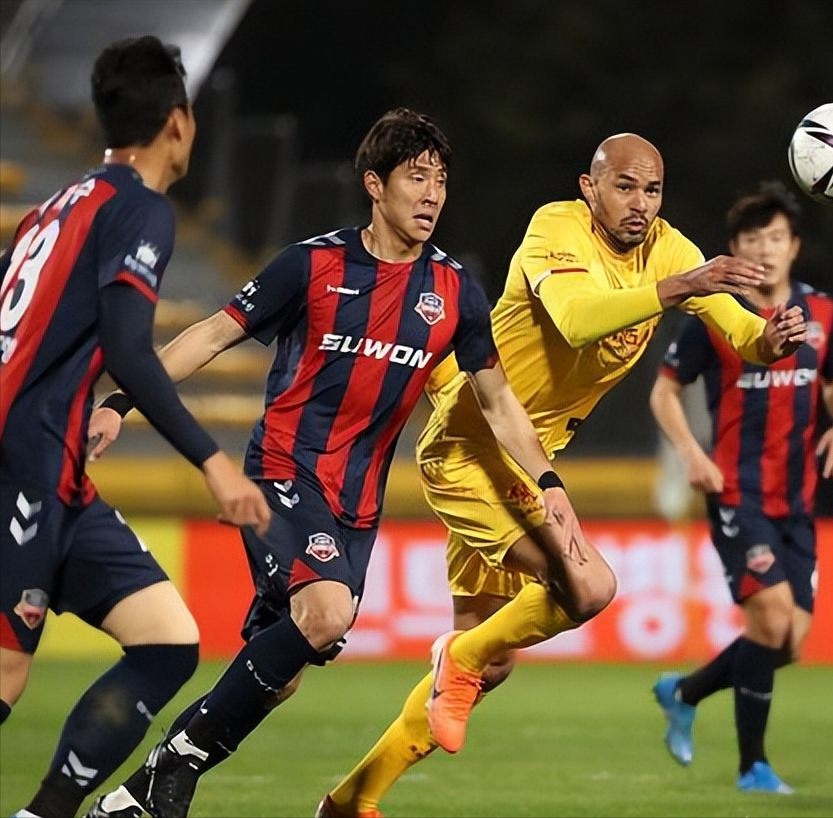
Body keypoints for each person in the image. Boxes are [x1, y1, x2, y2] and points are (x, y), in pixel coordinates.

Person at [84, 108, 586, 818]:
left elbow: (500, 405)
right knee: (326, 612)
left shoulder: (452, 291)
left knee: (280, 674)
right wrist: (119, 402)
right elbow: (208, 336)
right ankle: (176, 768)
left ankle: (135, 797)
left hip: (357, 508)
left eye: (441, 180)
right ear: (374, 185)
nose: (433, 194)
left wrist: (549, 483)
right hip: (284, 473)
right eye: (417, 177)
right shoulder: (310, 265)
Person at [318, 135, 807, 818]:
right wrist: (677, 289)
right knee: (583, 586)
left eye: (653, 190)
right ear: (589, 186)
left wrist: (769, 340)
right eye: (625, 187)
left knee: (491, 665)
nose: (641, 204)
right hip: (469, 449)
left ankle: (350, 801)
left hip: (527, 461)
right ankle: (455, 660)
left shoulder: (672, 249)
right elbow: (575, 322)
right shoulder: (556, 227)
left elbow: (738, 327)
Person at [0, 36, 270, 818]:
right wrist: (212, 464)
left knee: (166, 639)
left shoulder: (58, 206)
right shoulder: (139, 209)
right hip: (22, 466)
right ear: (178, 123)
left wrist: (79, 404)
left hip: (57, 467)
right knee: (6, 678)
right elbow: (128, 348)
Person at [649, 181, 833, 794]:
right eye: (750, 240)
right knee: (769, 624)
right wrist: (691, 454)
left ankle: (683, 691)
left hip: (797, 500)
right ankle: (752, 767)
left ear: (795, 245)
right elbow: (663, 391)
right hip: (737, 491)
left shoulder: (823, 314)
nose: (763, 250)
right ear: (733, 249)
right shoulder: (716, 314)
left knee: (790, 641)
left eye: (774, 238)